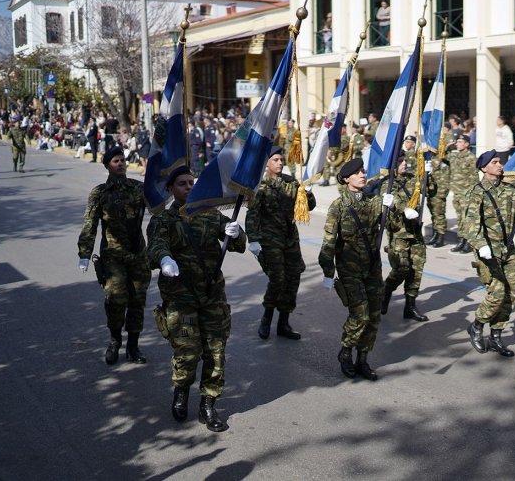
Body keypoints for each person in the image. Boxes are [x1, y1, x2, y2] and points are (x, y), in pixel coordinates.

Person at [146, 166, 245, 432]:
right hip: (181, 297)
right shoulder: (163, 220)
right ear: (171, 189)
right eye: (182, 183)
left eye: (191, 182)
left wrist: (236, 233)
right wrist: (164, 258)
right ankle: (181, 393)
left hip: (212, 295)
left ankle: (209, 405)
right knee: (188, 352)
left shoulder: (210, 215)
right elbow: (156, 245)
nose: (189, 187)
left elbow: (237, 244)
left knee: (216, 352)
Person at [461, 150, 515, 358]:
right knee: (496, 294)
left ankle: (496, 336)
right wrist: (481, 245)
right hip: (488, 252)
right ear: (484, 168)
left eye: (500, 161)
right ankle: (477, 326)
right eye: (494, 162)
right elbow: (468, 225)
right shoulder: (476, 192)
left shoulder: (508, 190)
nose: (500, 165)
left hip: (507, 250)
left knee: (510, 296)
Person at [319, 158, 392, 381]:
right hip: (349, 268)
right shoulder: (339, 206)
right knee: (360, 314)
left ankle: (363, 360)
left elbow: (395, 223)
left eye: (363, 171)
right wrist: (328, 272)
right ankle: (346, 351)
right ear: (346, 179)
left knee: (374, 316)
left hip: (372, 267)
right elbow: (329, 241)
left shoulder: (374, 201)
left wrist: (392, 206)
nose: (362, 175)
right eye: (357, 172)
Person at [77, 147, 150, 365]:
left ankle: (133, 347)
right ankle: (115, 341)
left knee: (137, 301)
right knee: (116, 301)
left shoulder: (138, 188)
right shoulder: (99, 193)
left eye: (123, 160)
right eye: (116, 161)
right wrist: (84, 253)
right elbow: (90, 224)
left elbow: (159, 206)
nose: (121, 163)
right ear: (107, 165)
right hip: (113, 256)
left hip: (137, 254)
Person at [246, 147, 316, 340]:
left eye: (281, 159)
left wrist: (307, 192)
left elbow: (309, 206)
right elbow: (253, 215)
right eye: (275, 159)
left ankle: (284, 323)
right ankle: (267, 318)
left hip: (290, 238)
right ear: (267, 163)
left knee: (293, 278)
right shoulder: (259, 186)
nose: (279, 162)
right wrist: (252, 239)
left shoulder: (291, 182)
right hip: (270, 240)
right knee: (278, 279)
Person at [382, 155, 431, 321]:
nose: (404, 164)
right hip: (399, 233)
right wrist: (404, 209)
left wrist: (429, 175)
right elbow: (392, 198)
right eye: (400, 161)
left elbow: (431, 191)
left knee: (416, 269)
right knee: (402, 268)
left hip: (415, 231)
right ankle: (385, 293)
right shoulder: (387, 183)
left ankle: (410, 306)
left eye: (405, 161)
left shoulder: (412, 180)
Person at [449, 134, 479, 253]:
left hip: (467, 193)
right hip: (457, 193)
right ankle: (461, 240)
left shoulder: (471, 158)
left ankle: (469, 242)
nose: (457, 144)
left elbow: (475, 178)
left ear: (467, 144)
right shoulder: (455, 156)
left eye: (460, 142)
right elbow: (441, 155)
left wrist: (472, 194)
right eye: (457, 142)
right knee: (460, 218)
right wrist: (448, 146)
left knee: (467, 219)